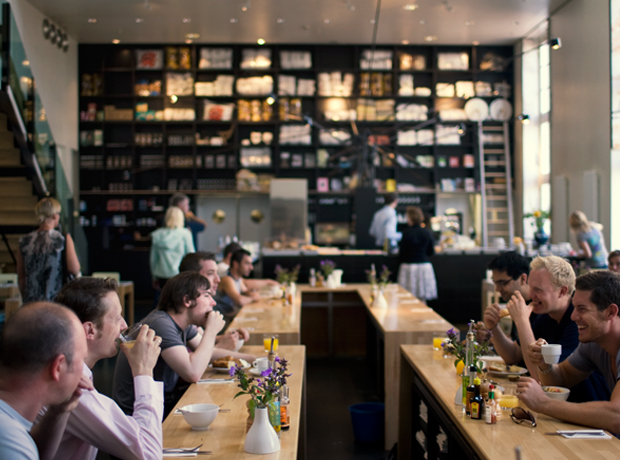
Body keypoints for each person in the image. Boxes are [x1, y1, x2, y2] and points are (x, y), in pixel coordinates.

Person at [44, 277, 163, 460]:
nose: (124, 325)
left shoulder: (67, 371)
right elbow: (148, 454)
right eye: (116, 318)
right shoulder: (70, 386)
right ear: (90, 330)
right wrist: (144, 371)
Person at [485, 255, 608, 402]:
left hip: (587, 407)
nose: (531, 295)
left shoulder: (580, 322)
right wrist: (493, 327)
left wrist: (522, 321)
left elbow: (543, 380)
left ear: (562, 291)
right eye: (530, 287)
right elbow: (513, 355)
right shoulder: (545, 316)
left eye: (538, 289)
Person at [518, 270, 620, 434]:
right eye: (573, 307)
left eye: (582, 309)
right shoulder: (594, 344)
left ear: (610, 312)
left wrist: (543, 403)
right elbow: (562, 378)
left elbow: (617, 417)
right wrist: (544, 363)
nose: (573, 316)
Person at [113, 271, 226, 417]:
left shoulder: (183, 323)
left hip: (161, 404)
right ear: (187, 300)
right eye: (206, 295)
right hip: (137, 415)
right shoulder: (161, 323)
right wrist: (211, 331)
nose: (213, 302)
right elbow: (193, 373)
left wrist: (254, 358)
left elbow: (211, 353)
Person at [0, 302, 89, 460]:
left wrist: (58, 412)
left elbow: (33, 452)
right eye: (82, 360)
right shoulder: (11, 445)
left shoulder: (10, 431)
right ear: (58, 367)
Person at [179, 251, 251, 351]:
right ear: (193, 278)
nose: (218, 279)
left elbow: (202, 341)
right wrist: (221, 346)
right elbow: (189, 364)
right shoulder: (183, 313)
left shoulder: (193, 310)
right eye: (210, 273)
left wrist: (231, 337)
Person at [16, 197, 80, 303]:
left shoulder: (24, 241)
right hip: (56, 301)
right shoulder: (62, 238)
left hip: (32, 303)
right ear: (55, 215)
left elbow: (21, 277)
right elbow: (74, 269)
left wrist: (25, 299)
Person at [214, 249, 279, 322]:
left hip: (231, 319)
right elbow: (240, 301)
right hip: (223, 324)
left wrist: (253, 294)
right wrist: (253, 298)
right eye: (247, 263)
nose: (251, 268)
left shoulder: (238, 279)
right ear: (236, 264)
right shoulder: (227, 280)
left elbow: (246, 291)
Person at [397, 206, 437, 302]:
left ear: (410, 218)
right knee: (422, 300)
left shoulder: (406, 233)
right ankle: (423, 316)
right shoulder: (427, 233)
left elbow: (402, 253)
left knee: (407, 299)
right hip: (424, 267)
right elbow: (431, 251)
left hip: (409, 267)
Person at [150, 206, 195, 291]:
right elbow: (191, 256)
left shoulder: (157, 235)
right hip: (180, 275)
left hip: (161, 274)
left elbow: (153, 259)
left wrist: (154, 277)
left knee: (164, 300)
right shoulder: (185, 234)